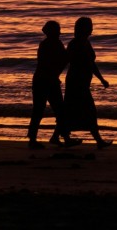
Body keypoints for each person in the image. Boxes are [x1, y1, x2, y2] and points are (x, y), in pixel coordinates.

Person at [27, 20, 79, 148]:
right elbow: (58, 62)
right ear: (51, 32)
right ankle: (35, 139)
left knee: (50, 110)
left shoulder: (49, 44)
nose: (59, 33)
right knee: (51, 110)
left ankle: (60, 137)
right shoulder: (51, 44)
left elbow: (59, 62)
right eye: (57, 30)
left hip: (44, 80)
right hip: (45, 81)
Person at [64, 16, 112, 149]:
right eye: (89, 26)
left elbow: (91, 64)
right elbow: (67, 61)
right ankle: (98, 141)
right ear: (83, 29)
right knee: (88, 110)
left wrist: (101, 79)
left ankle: (59, 136)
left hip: (83, 82)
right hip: (76, 82)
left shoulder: (86, 43)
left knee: (71, 109)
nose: (92, 29)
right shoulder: (74, 44)